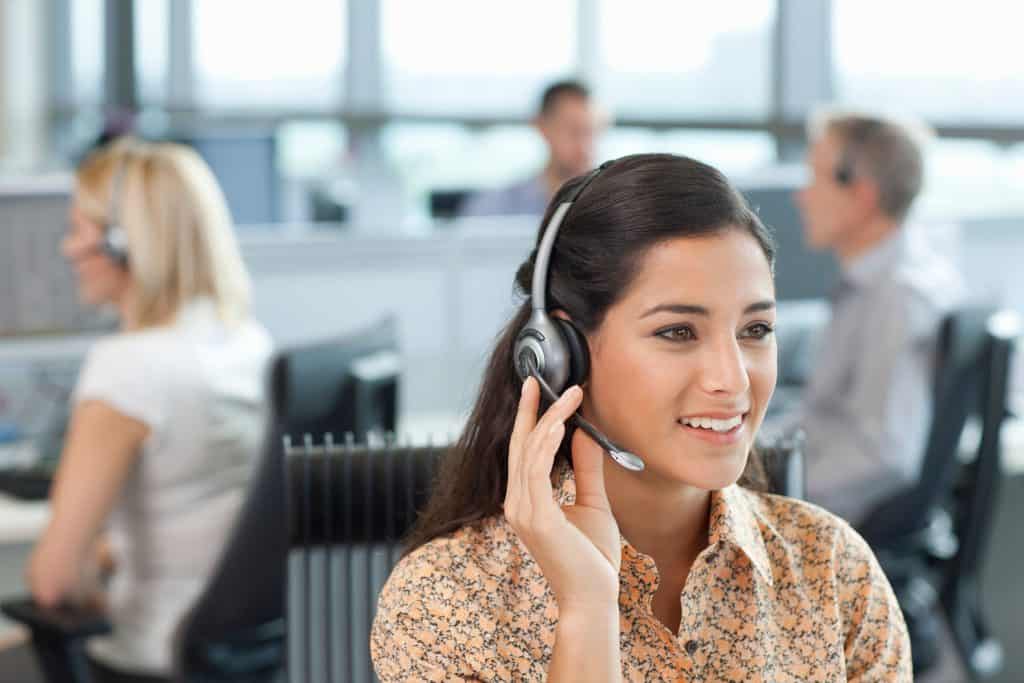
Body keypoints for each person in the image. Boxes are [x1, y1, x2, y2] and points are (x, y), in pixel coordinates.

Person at [371, 153, 911, 681]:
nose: (734, 379)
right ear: (561, 354)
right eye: (677, 332)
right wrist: (587, 611)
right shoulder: (444, 603)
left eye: (755, 330)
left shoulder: (834, 571)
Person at [20, 138, 273, 681]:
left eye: (77, 229)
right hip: (237, 657)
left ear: (122, 242)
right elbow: (201, 512)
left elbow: (54, 581)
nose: (68, 249)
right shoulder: (248, 344)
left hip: (149, 655)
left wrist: (83, 566)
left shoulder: (127, 369)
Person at [780, 110, 966, 526]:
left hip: (835, 532)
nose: (801, 196)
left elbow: (884, 453)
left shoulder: (896, 299)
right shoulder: (891, 280)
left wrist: (777, 496)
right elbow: (826, 414)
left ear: (862, 195)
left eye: (815, 178)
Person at [459, 79, 605, 217]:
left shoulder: (614, 207)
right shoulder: (492, 208)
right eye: (573, 131)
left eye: (593, 132)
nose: (586, 146)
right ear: (541, 127)